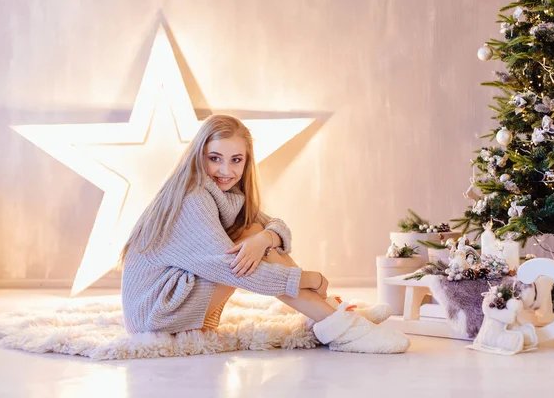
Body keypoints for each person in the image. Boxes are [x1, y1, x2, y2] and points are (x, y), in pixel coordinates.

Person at [119, 114, 410, 354]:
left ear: (246, 161)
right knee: (250, 252)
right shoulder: (193, 198)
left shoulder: (227, 194)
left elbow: (277, 226)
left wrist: (264, 239)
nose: (225, 170)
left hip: (178, 296)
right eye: (215, 158)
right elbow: (233, 271)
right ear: (199, 156)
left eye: (236, 160)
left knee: (254, 231)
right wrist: (310, 278)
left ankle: (331, 313)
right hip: (157, 312)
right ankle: (340, 324)